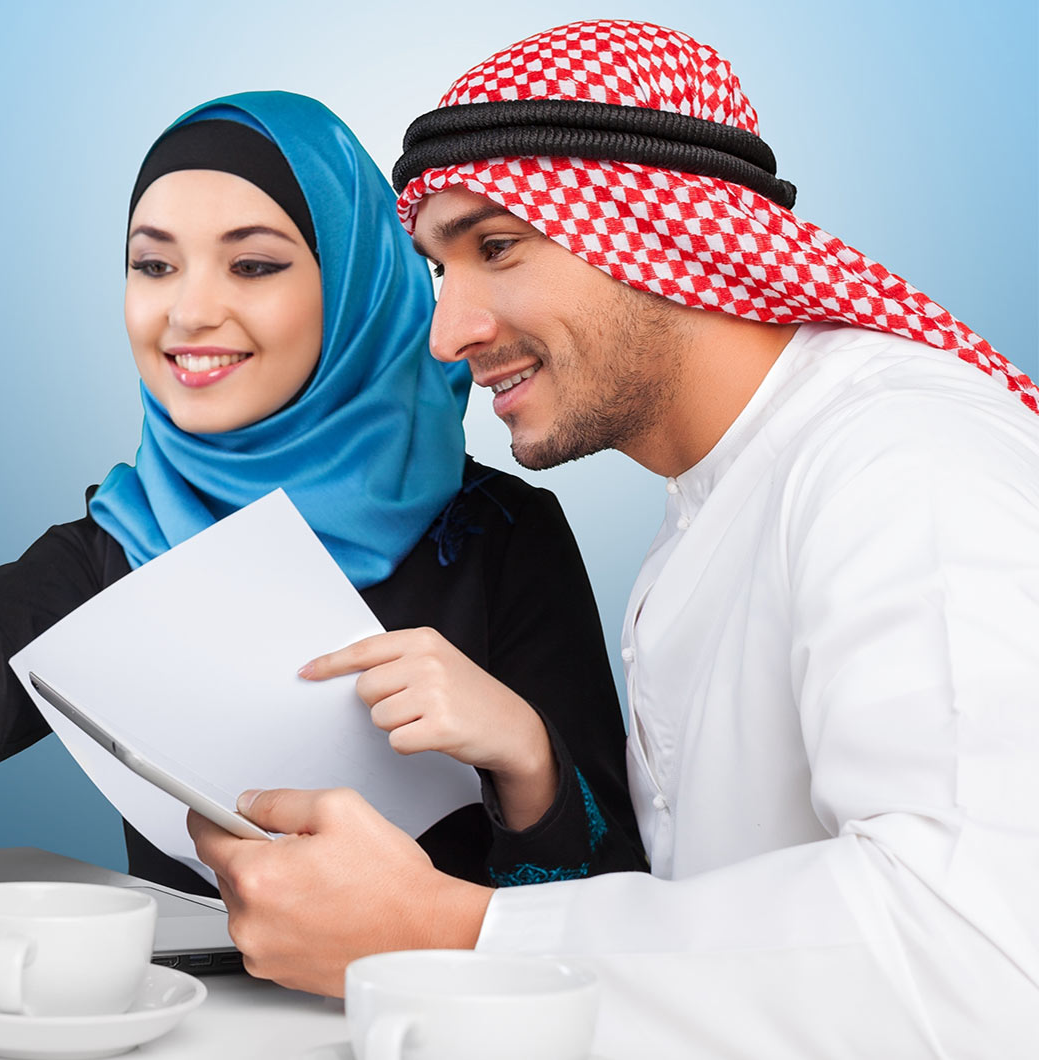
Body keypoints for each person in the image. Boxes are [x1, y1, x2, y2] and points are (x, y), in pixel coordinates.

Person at [188, 21, 1039, 1056]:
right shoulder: (709, 508)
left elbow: (977, 956)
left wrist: (450, 931)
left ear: (670, 231)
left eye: (496, 247)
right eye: (438, 269)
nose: (447, 333)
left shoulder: (903, 460)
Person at [0, 91, 645, 898]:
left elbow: (609, 891)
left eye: (252, 266)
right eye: (154, 265)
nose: (187, 314)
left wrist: (525, 754)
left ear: (357, 287)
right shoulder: (130, 532)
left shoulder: (498, 536)